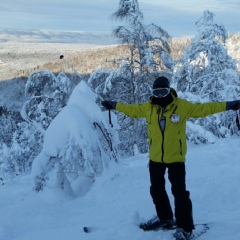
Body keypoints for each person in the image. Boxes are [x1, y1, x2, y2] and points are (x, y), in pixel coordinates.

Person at [101, 76, 240, 240]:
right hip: (155, 159)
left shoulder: (181, 106)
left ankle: (185, 228)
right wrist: (114, 105)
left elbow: (205, 108)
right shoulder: (148, 108)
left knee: (179, 193)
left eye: (163, 92)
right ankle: (165, 218)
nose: (160, 96)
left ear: (169, 90)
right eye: (156, 93)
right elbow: (131, 109)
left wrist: (229, 105)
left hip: (176, 159)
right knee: (156, 190)